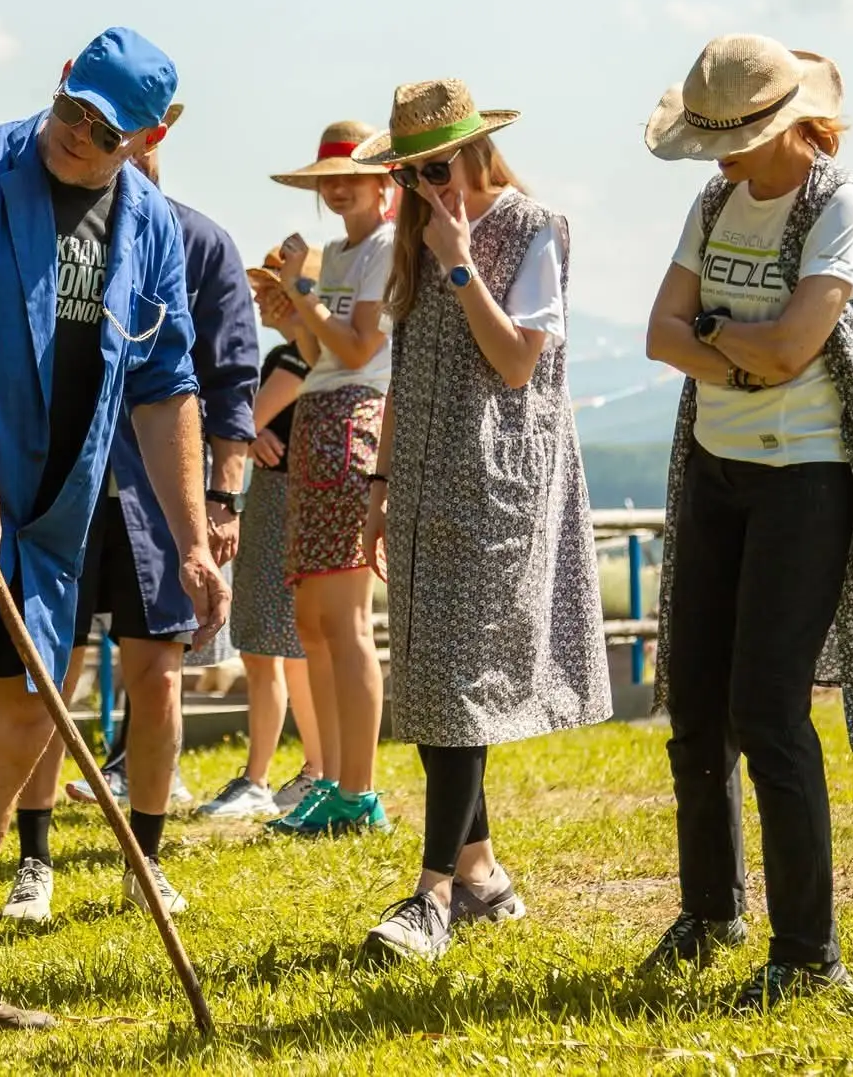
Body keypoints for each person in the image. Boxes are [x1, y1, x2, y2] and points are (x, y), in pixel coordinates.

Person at [0, 28, 228, 1037]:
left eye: (105, 131)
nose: (77, 134)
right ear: (59, 82)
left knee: (17, 727)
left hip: (48, 524)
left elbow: (165, 388)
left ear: (148, 138)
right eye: (71, 109)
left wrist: (192, 540)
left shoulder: (149, 222)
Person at [640, 34, 853, 1010]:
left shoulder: (840, 204)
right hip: (716, 472)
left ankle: (807, 955)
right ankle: (709, 911)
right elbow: (659, 332)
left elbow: (800, 345)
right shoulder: (713, 202)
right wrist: (741, 348)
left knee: (767, 709)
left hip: (807, 478)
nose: (714, 157)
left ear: (784, 124)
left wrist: (712, 335)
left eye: (728, 138)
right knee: (694, 706)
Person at [352, 79, 613, 962]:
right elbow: (406, 370)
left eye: (436, 167)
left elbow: (515, 364)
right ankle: (482, 875)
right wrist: (380, 481)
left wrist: (461, 263)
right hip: (424, 482)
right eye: (409, 172)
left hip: (498, 487)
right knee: (433, 686)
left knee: (460, 688)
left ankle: (432, 897)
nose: (423, 184)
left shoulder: (534, 227)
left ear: (475, 151)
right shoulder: (414, 237)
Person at [3, 110, 258, 922]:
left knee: (159, 678)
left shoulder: (200, 242)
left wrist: (221, 501)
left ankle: (143, 861)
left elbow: (232, 379)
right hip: (60, 494)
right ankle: (33, 859)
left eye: (132, 131)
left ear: (154, 138)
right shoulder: (54, 227)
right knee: (50, 676)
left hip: (159, 503)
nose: (119, 144)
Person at [265, 121, 395, 837]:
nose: (338, 189)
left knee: (344, 622)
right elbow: (320, 353)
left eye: (350, 177)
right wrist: (294, 317)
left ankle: (359, 789)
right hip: (320, 419)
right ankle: (334, 780)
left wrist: (302, 293)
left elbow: (358, 347)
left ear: (382, 183)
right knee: (314, 622)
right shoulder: (342, 252)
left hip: (353, 422)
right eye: (328, 180)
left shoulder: (383, 249)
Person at [195, 247, 327, 819]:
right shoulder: (292, 356)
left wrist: (246, 434)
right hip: (279, 502)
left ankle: (292, 773)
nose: (260, 299)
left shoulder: (297, 358)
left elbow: (241, 421)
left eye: (274, 289)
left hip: (282, 506)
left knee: (280, 647)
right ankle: (294, 771)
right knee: (273, 649)